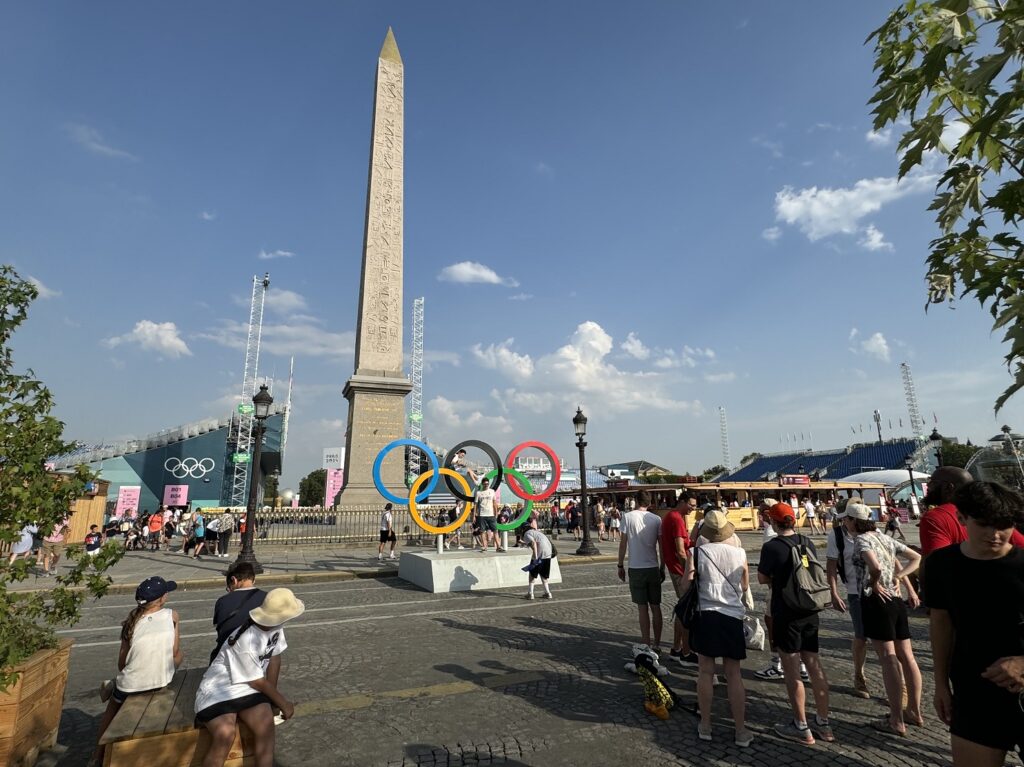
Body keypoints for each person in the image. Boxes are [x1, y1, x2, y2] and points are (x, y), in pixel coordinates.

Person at [925, 481, 1024, 766]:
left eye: (1004, 525)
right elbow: (941, 624)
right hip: (974, 689)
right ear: (962, 519)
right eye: (984, 525)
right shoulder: (940, 565)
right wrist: (941, 684)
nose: (996, 535)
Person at [195, 588, 304, 767]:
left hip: (247, 688)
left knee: (265, 725)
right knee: (225, 733)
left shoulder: (276, 626)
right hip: (218, 690)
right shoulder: (246, 638)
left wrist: (272, 699)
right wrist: (283, 702)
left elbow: (275, 657)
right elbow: (257, 681)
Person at [757, 502, 833, 745]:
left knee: (791, 670)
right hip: (810, 608)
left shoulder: (772, 547)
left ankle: (801, 725)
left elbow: (762, 578)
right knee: (814, 664)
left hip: (786, 612)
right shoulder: (806, 541)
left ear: (773, 521)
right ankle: (823, 722)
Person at [93, 577, 183, 763]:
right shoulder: (172, 616)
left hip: (129, 684)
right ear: (162, 598)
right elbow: (173, 651)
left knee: (110, 712)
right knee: (179, 655)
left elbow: (122, 663)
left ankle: (98, 754)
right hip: (160, 680)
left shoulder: (131, 622)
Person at [852, 504, 924, 735]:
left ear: (853, 521)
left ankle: (896, 719)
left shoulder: (862, 540)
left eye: (846, 520)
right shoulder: (883, 537)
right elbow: (915, 557)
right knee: (908, 657)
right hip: (895, 599)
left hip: (876, 601)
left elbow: (873, 566)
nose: (844, 524)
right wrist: (900, 577)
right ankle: (913, 710)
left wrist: (874, 583)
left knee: (888, 658)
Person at [686, 510, 753, 747]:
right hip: (732, 615)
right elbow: (745, 585)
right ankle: (741, 730)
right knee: (733, 674)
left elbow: (687, 583)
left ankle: (705, 724)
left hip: (706, 614)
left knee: (705, 671)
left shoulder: (697, 552)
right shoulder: (739, 553)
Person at [826, 501, 872, 698]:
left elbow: (890, 559)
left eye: (846, 518)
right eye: (843, 518)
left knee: (887, 643)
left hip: (879, 592)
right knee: (861, 637)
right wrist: (834, 593)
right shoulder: (836, 535)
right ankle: (859, 674)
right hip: (855, 591)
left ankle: (897, 686)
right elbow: (831, 565)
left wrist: (905, 585)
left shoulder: (872, 533)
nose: (844, 521)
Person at [617, 490, 664, 649]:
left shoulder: (628, 517)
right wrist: (662, 566)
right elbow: (661, 546)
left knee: (642, 608)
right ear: (649, 502)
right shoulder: (657, 519)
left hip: (636, 566)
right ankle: (657, 643)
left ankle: (646, 643)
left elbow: (623, 543)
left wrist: (620, 565)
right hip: (652, 566)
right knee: (656, 607)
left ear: (636, 501)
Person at [211, 561, 268, 663]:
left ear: (234, 580)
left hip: (230, 658)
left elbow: (220, 631)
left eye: (229, 588)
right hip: (260, 656)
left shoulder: (222, 601)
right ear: (253, 580)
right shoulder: (268, 598)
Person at [664, 494, 694, 662]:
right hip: (679, 569)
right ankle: (686, 652)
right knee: (686, 611)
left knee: (682, 609)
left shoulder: (672, 516)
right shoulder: (676, 519)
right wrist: (689, 569)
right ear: (682, 502)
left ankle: (677, 648)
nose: (693, 508)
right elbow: (680, 550)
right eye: (691, 504)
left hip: (674, 566)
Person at [522, 516, 554, 599]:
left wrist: (535, 558)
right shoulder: (537, 532)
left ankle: (530, 593)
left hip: (540, 554)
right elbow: (537, 542)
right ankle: (548, 593)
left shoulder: (527, 533)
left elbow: (533, 543)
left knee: (532, 574)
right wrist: (525, 544)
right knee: (544, 574)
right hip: (548, 553)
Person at [474, 477, 502, 553]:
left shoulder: (492, 491)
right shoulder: (478, 493)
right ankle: (484, 546)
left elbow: (494, 503)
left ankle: (498, 547)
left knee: (495, 531)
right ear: (482, 484)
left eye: (487, 484)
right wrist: (474, 516)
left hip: (491, 514)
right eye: (485, 484)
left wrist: (496, 513)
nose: (486, 485)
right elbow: (475, 505)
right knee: (482, 531)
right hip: (482, 514)